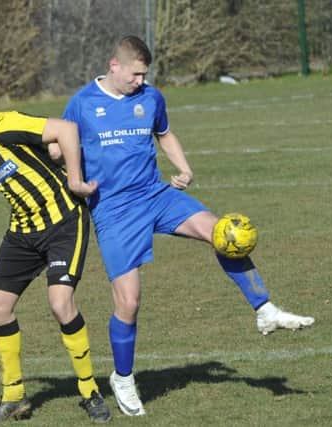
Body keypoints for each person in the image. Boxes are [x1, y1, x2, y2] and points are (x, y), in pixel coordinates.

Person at [61, 36, 315, 416]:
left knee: (224, 234)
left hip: (155, 195)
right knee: (129, 302)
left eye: (145, 75)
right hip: (114, 210)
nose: (140, 82)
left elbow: (164, 133)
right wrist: (73, 177)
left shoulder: (151, 98)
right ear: (114, 65)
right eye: (135, 74)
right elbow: (62, 144)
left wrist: (183, 167)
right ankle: (123, 378)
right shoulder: (82, 103)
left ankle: (264, 308)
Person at [0, 83, 111, 424]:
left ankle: (90, 392)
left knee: (61, 304)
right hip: (23, 232)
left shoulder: (4, 124)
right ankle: (13, 395)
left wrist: (74, 179)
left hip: (63, 224)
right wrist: (50, 152)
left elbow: (65, 129)